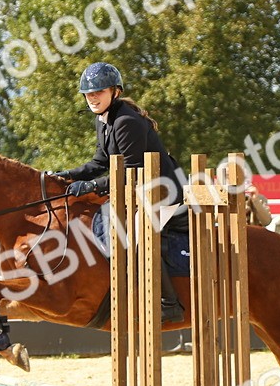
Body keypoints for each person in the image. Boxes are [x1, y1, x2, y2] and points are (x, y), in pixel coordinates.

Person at [47, 61, 188, 322]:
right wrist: (67, 175)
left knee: (135, 234)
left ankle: (170, 304)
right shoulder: (103, 120)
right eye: (89, 94)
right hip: (139, 190)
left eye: (98, 92)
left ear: (115, 92)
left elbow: (130, 170)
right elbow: (100, 163)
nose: (92, 98)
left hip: (162, 191)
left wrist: (91, 186)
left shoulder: (125, 121)